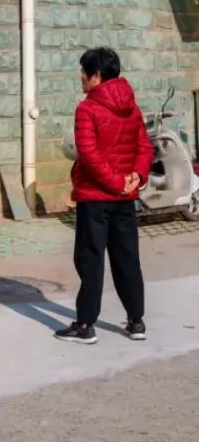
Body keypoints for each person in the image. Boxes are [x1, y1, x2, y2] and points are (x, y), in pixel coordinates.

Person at [56, 47, 153, 345]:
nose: (81, 77)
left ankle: (85, 325)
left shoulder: (87, 109)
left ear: (96, 75)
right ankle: (136, 322)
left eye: (84, 72)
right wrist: (135, 178)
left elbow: (89, 155)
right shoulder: (132, 107)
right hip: (124, 198)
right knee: (127, 258)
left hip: (96, 198)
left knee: (90, 260)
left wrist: (116, 183)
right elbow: (144, 148)